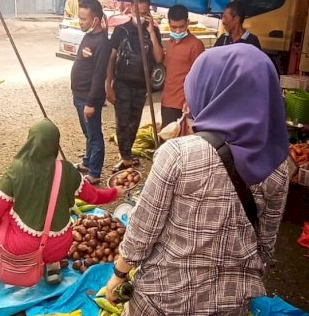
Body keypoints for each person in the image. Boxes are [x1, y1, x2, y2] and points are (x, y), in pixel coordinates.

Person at [105, 44, 289, 315]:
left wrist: (119, 274)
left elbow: (143, 230)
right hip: (231, 304)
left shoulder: (179, 153)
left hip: (164, 300)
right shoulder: (279, 165)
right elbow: (265, 246)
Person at [0, 118, 125, 284]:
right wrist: (114, 193)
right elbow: (94, 196)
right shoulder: (66, 170)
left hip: (23, 248)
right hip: (59, 246)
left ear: (30, 140)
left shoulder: (18, 169)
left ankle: (2, 259)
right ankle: (52, 267)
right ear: (55, 144)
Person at [105, 0, 163, 172]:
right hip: (122, 84)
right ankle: (125, 157)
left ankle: (127, 155)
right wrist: (108, 85)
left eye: (145, 12)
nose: (141, 16)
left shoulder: (154, 32)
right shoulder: (120, 30)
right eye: (138, 11)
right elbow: (111, 58)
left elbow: (159, 58)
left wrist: (152, 32)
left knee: (134, 122)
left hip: (141, 86)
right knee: (122, 122)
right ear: (131, 9)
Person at [70, 0, 111, 184]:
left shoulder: (102, 42)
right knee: (88, 133)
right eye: (79, 18)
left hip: (88, 98)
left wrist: (91, 103)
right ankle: (87, 162)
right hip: (79, 94)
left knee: (94, 134)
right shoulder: (89, 36)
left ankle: (94, 172)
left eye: (84, 19)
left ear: (96, 20)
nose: (80, 22)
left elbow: (98, 75)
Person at [160, 4, 205, 128]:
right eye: (174, 27)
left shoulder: (196, 45)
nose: (178, 31)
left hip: (184, 105)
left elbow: (199, 78)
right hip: (167, 101)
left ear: (188, 23)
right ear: (169, 23)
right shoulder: (170, 43)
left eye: (181, 27)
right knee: (167, 141)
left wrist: (190, 101)